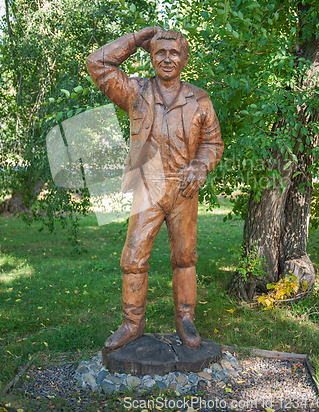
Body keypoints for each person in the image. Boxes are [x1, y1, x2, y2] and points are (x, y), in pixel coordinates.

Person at [86, 27, 223, 351]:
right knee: (133, 258)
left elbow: (213, 143)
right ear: (150, 56)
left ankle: (185, 319)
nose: (167, 59)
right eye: (160, 52)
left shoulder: (199, 99)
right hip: (148, 187)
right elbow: (97, 64)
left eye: (174, 53)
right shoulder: (136, 92)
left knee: (185, 258)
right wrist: (137, 37)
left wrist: (199, 166)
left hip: (183, 190)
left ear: (184, 59)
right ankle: (132, 324)